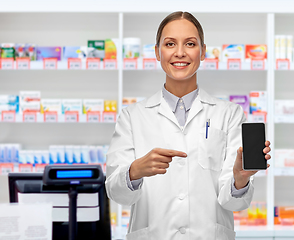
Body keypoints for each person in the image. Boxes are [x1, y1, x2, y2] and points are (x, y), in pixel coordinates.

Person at [105, 11, 271, 240]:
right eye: (170, 43)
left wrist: (240, 179)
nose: (180, 52)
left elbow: (233, 202)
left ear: (203, 51)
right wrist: (135, 171)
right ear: (157, 52)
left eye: (190, 43)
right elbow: (116, 193)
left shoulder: (229, 114)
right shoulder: (132, 116)